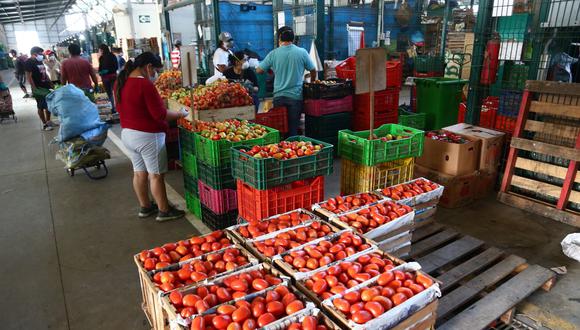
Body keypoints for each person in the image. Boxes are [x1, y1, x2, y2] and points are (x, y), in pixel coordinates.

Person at [115, 52, 188, 222]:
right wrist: (180, 114)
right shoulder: (144, 85)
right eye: (155, 70)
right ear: (148, 67)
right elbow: (159, 114)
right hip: (148, 136)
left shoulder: (121, 82)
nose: (155, 74)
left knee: (139, 173)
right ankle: (164, 211)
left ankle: (145, 207)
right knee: (156, 175)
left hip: (128, 134)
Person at [256, 26, 316, 136]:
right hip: (295, 97)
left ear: (279, 39)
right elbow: (313, 69)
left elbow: (259, 70)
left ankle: (281, 150)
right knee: (293, 130)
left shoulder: (273, 54)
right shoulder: (302, 52)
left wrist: (271, 68)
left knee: (280, 129)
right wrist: (312, 82)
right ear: (293, 39)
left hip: (279, 96)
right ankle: (292, 149)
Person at [25, 46, 55, 131]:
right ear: (34, 54)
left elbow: (44, 73)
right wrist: (35, 89)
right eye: (40, 53)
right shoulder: (29, 62)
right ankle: (45, 124)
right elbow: (29, 76)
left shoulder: (39, 61)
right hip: (38, 88)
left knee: (48, 105)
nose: (42, 55)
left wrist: (50, 82)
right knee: (41, 106)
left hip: (46, 86)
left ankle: (49, 121)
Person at [98, 44, 118, 114]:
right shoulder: (102, 58)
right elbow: (100, 68)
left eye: (100, 50)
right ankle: (113, 107)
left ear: (103, 50)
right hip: (107, 77)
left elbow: (116, 67)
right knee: (112, 92)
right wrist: (100, 72)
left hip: (110, 77)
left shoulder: (110, 56)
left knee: (112, 93)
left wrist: (106, 71)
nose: (99, 51)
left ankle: (115, 107)